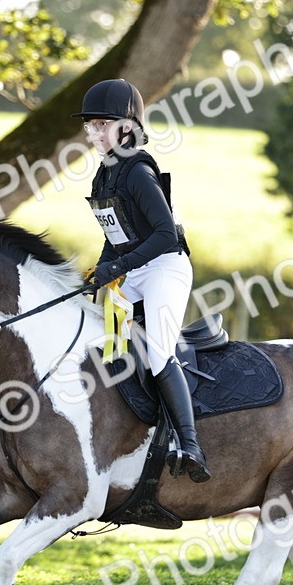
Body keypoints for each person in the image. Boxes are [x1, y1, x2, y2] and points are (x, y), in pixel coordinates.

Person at [72, 78, 210, 483]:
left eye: (102, 125)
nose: (94, 133)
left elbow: (165, 236)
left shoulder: (137, 172)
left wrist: (118, 267)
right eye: (92, 126)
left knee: (159, 351)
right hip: (133, 269)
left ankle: (190, 444)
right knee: (100, 338)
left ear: (127, 127)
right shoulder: (104, 175)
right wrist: (98, 273)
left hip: (165, 268)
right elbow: (113, 239)